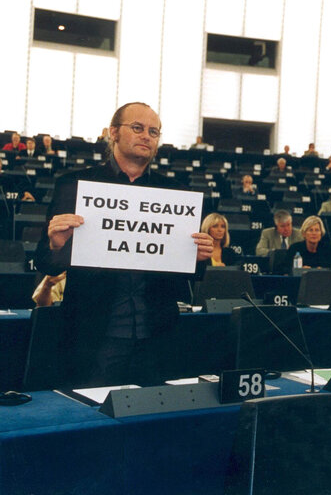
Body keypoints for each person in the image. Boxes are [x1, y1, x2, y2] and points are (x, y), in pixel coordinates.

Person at [34, 102, 214, 387]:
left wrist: (199, 256)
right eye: (138, 128)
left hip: (156, 334)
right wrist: (56, 244)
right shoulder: (75, 184)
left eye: (154, 131)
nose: (147, 136)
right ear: (114, 133)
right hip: (93, 335)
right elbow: (45, 261)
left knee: (152, 424)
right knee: (92, 423)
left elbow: (188, 274)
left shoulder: (175, 194)